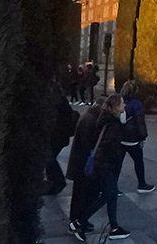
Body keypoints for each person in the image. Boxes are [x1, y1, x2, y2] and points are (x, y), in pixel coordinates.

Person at [72, 94, 130, 241]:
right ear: (116, 107)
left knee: (110, 195)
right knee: (107, 195)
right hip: (106, 165)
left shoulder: (104, 119)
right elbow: (113, 148)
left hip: (101, 164)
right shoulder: (113, 125)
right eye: (122, 104)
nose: (124, 107)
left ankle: (114, 227)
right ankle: (80, 222)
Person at [66, 98, 103, 233]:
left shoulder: (89, 117)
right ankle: (76, 221)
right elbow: (88, 144)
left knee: (83, 194)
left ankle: (80, 220)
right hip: (83, 165)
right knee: (81, 195)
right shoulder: (90, 120)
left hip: (81, 164)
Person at [119, 80, 154, 193]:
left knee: (117, 163)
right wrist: (142, 137)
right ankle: (141, 184)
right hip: (132, 138)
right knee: (138, 162)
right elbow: (139, 121)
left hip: (120, 137)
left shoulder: (119, 101)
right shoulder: (136, 103)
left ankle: (112, 186)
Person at [43, 85, 77, 194]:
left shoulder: (57, 104)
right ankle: (53, 182)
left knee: (49, 157)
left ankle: (58, 181)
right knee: (49, 157)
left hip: (58, 136)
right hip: (60, 136)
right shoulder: (61, 102)